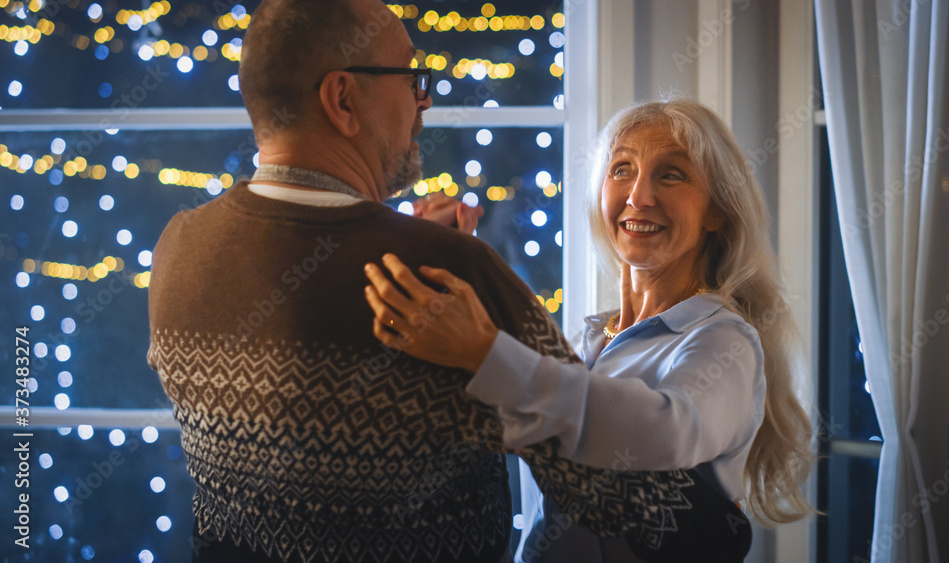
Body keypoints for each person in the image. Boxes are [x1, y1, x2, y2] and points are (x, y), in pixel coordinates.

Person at [147, 1, 748, 561]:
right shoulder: (451, 273)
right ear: (342, 99)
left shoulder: (177, 245)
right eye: (410, 80)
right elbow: (651, 514)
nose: (423, 102)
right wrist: (731, 531)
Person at [364, 99, 815, 562]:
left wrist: (486, 352)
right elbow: (498, 408)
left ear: (717, 211)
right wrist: (447, 261)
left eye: (671, 174)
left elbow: (666, 435)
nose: (639, 197)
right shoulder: (588, 340)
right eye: (622, 170)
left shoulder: (723, 339)